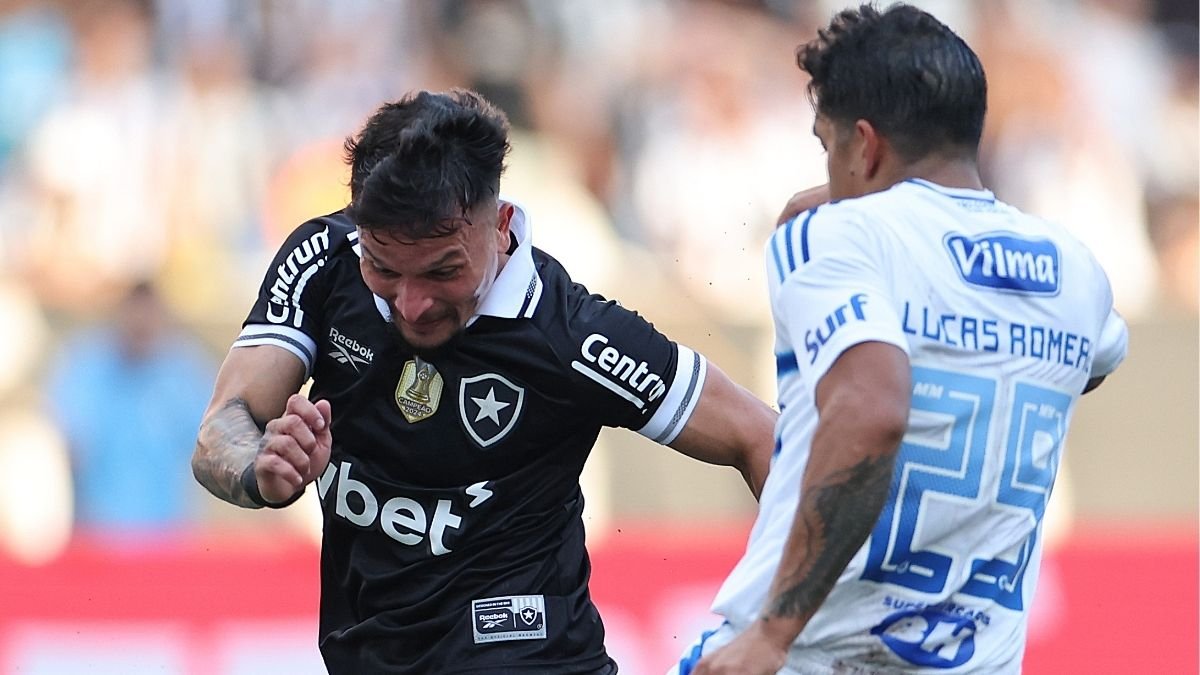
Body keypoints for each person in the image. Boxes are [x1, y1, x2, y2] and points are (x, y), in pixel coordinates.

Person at [191, 88, 776, 674]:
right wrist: (262, 470)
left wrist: (780, 623)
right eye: (384, 269)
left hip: (529, 654)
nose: (412, 304)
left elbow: (761, 438)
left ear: (499, 227)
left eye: (443, 270)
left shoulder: (572, 335)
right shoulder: (323, 261)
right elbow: (222, 424)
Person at [676, 5, 1129, 674]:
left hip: (810, 654)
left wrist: (772, 634)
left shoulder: (832, 235)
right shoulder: (1076, 272)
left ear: (865, 143)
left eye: (826, 143)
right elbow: (1090, 359)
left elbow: (872, 408)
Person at [47, 280, 214, 534]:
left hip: (166, 530)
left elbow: (209, 443)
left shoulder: (183, 371)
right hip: (97, 530)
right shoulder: (87, 366)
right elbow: (70, 440)